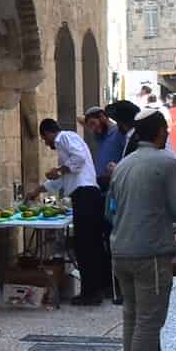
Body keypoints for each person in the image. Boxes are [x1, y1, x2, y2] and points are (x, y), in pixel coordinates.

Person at [106, 109, 176, 351]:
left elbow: (110, 211)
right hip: (150, 252)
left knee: (131, 317)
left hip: (121, 250)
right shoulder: (167, 163)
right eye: (165, 130)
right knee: (149, 321)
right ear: (160, 132)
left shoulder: (123, 165)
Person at [38, 116, 111, 306]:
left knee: (86, 245)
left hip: (85, 194)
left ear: (47, 133)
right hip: (86, 195)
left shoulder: (64, 138)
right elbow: (63, 178)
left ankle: (91, 293)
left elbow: (76, 159)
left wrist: (59, 169)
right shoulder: (66, 145)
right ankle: (96, 288)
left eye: (45, 140)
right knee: (89, 245)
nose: (47, 144)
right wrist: (39, 189)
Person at [83, 106, 124, 185]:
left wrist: (118, 167)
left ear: (102, 117)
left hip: (114, 180)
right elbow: (80, 119)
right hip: (100, 182)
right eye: (90, 126)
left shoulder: (119, 132)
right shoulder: (100, 136)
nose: (93, 129)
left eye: (93, 123)